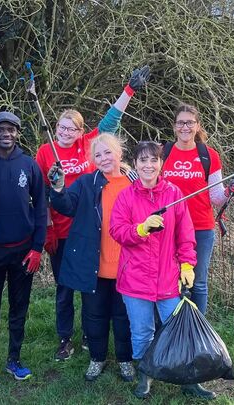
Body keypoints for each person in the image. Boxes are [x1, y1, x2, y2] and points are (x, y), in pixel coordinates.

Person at [36, 65, 150, 361]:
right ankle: (65, 338)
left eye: (72, 129)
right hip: (61, 230)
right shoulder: (45, 151)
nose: (66, 132)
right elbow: (41, 194)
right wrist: (46, 228)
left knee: (92, 289)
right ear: (56, 127)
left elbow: (112, 120)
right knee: (64, 289)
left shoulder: (89, 147)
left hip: (89, 230)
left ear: (80, 132)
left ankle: (91, 334)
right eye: (62, 127)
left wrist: (130, 89)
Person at [110, 141, 211, 399]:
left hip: (168, 278)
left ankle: (189, 378)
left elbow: (186, 234)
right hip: (135, 279)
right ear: (135, 164)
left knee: (179, 328)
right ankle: (146, 375)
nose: (148, 165)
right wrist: (141, 229)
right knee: (142, 332)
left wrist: (187, 264)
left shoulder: (174, 194)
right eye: (143, 160)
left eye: (153, 160)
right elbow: (117, 231)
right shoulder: (126, 196)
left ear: (160, 163)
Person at [47, 133, 135, 382]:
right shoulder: (86, 183)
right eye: (98, 155)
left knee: (123, 316)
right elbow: (66, 205)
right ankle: (97, 358)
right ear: (93, 160)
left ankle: (125, 360)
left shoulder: (134, 180)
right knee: (94, 316)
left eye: (108, 152)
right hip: (95, 264)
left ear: (119, 152)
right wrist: (57, 187)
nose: (104, 158)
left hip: (128, 266)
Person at [0, 111, 47, 389]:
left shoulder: (29, 164)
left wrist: (38, 247)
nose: (7, 134)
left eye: (12, 130)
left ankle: (14, 359)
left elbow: (40, 207)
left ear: (17, 132)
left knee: (19, 308)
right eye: (1, 129)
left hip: (23, 251)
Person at [161, 103, 234, 316]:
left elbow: (216, 197)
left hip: (201, 228)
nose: (185, 127)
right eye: (181, 122)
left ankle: (198, 333)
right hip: (168, 227)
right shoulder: (164, 153)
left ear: (197, 126)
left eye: (190, 122)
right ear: (174, 126)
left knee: (197, 283)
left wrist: (230, 191)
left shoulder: (209, 155)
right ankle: (172, 330)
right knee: (169, 281)